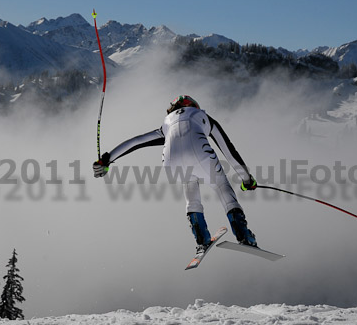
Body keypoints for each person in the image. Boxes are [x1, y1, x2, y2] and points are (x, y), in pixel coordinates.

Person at [93, 95, 258, 254]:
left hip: (171, 161)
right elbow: (229, 151)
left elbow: (137, 141)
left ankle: (201, 237)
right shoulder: (202, 116)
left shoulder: (167, 124)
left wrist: (106, 160)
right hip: (202, 154)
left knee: (189, 184)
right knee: (222, 186)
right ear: (193, 106)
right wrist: (247, 179)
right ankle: (243, 235)